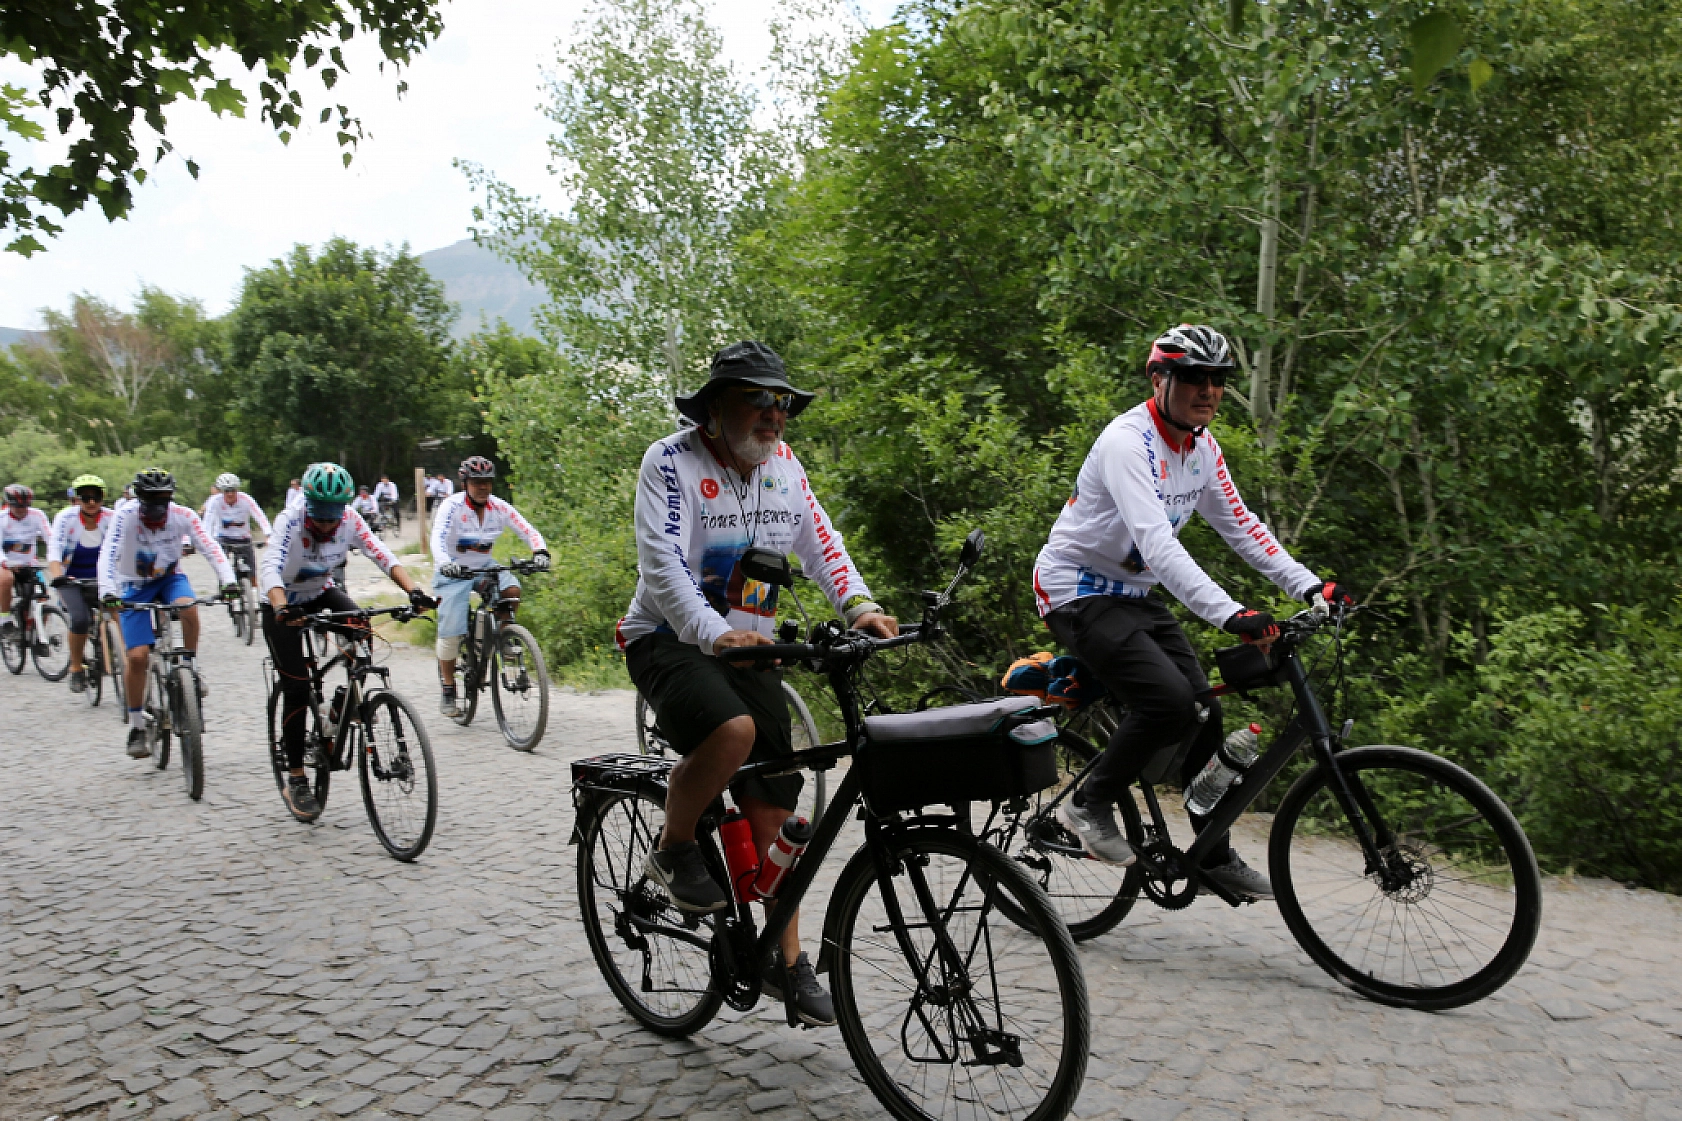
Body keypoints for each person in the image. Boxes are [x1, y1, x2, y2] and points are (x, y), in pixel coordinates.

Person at [618, 340, 898, 1027]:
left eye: (783, 403)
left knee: (776, 793)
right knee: (734, 732)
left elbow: (821, 542)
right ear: (716, 408)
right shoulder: (670, 461)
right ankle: (676, 846)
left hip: (751, 647)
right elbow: (662, 566)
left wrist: (858, 604)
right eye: (759, 400)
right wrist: (714, 633)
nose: (775, 416)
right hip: (669, 638)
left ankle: (787, 961)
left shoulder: (784, 466)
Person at [1030, 324, 1355, 900]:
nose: (1207, 391)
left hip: (1132, 596)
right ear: (1160, 379)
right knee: (1168, 702)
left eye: (1218, 380)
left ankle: (1213, 852)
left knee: (1202, 711)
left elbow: (1245, 529)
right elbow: (1158, 544)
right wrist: (1232, 615)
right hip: (1075, 589)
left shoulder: (1202, 449)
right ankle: (1089, 800)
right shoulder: (1127, 443)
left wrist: (1310, 588)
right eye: (1194, 378)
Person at [262, 462, 435, 821]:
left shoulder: (351, 520)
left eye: (332, 517)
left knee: (362, 627)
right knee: (295, 688)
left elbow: (382, 555)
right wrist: (280, 607)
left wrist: (414, 591)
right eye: (320, 516)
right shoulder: (289, 521)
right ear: (307, 505)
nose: (326, 525)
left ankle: (343, 706)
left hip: (321, 590)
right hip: (281, 600)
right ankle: (296, 777)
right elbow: (269, 567)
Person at [98, 469, 238, 759]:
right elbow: (108, 553)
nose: (157, 508)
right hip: (133, 585)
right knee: (137, 658)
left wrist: (229, 581)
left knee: (188, 606)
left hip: (169, 578)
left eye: (163, 500)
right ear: (139, 499)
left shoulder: (183, 515)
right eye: (150, 501)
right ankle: (137, 725)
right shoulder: (125, 516)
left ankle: (190, 667)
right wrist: (107, 592)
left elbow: (210, 546)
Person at [430, 456, 549, 716]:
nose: (483, 487)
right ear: (465, 483)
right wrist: (445, 563)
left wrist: (540, 551)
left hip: (484, 567)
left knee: (511, 590)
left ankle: (505, 641)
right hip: (454, 570)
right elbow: (437, 539)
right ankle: (448, 689)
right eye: (476, 482)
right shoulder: (451, 506)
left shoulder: (499, 507)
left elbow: (528, 530)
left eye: (487, 482)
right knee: (450, 632)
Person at [47, 475, 115, 692]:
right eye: (86, 498)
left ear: (102, 498)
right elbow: (55, 549)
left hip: (103, 577)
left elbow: (123, 548)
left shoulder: (112, 518)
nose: (91, 502)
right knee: (79, 620)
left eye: (95, 497)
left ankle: (125, 656)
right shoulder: (65, 518)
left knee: (120, 611)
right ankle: (76, 668)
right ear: (78, 499)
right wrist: (58, 576)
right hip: (71, 578)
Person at [201, 473, 272, 587]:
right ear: (221, 491)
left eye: (233, 490)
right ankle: (224, 586)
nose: (230, 494)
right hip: (223, 537)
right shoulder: (214, 501)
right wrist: (205, 540)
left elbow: (259, 516)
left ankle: (252, 592)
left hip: (243, 537)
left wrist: (268, 534)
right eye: (226, 491)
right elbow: (208, 520)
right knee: (221, 565)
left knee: (252, 569)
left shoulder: (246, 499)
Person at [1, 484, 52, 636]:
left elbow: (50, 537)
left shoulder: (37, 515)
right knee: (6, 579)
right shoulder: (2, 518)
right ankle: (5, 619)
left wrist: (57, 556)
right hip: (6, 564)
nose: (22, 509)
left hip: (29, 564)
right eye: (17, 506)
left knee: (43, 596)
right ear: (8, 504)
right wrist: (5, 563)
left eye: (25, 506)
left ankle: (37, 635)